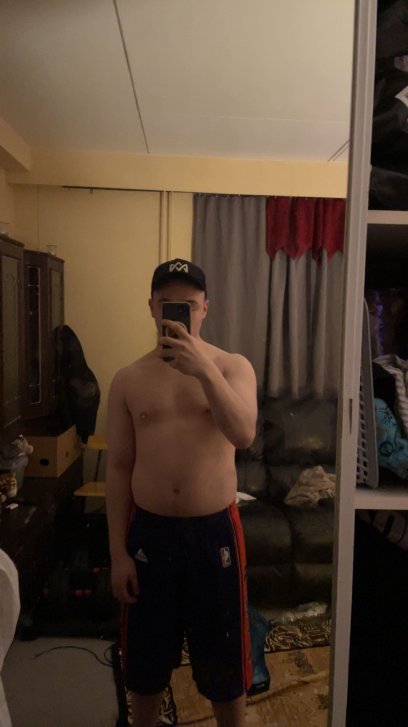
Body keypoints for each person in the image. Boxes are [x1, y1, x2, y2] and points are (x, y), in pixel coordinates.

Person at [106, 258, 257, 727]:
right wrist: (117, 555)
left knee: (225, 660)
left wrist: (203, 372)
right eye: (168, 303)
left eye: (188, 305)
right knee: (144, 661)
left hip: (214, 533)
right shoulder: (128, 379)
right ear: (152, 307)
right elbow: (118, 468)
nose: (178, 313)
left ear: (205, 307)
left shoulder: (232, 367)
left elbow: (243, 434)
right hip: (149, 534)